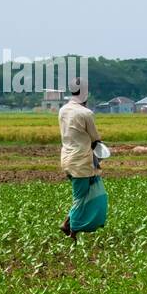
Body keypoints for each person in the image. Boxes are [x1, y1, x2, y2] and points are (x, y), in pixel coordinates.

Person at [58, 77, 108, 240]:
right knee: (80, 199)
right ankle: (70, 229)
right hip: (80, 161)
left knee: (83, 195)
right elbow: (95, 139)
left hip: (67, 158)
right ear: (85, 92)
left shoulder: (63, 110)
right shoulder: (86, 113)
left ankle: (71, 225)